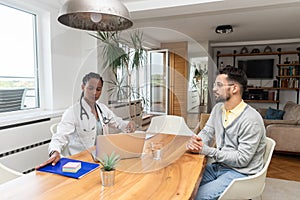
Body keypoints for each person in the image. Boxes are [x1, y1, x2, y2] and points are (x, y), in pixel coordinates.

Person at [186, 66, 266, 200]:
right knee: (184, 184)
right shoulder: (218, 109)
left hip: (241, 173)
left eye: (219, 85)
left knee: (196, 196)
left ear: (234, 88)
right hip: (220, 166)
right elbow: (207, 132)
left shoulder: (251, 119)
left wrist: (206, 150)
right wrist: (197, 141)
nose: (213, 89)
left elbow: (242, 160)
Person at [36, 72, 136, 169]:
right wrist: (55, 152)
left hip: (101, 158)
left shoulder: (102, 109)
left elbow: (118, 123)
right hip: (81, 162)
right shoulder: (72, 112)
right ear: (83, 87)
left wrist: (127, 125)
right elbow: (59, 136)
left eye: (98, 89)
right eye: (90, 88)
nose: (95, 93)